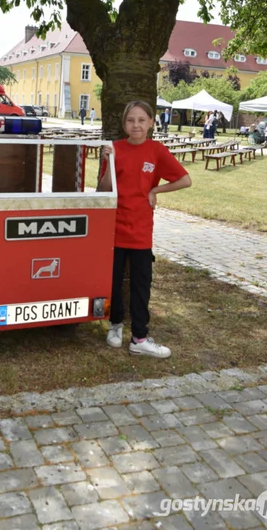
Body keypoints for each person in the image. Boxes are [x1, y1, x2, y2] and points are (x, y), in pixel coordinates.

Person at [98, 100, 192, 358]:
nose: (136, 125)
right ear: (124, 124)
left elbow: (185, 180)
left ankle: (139, 337)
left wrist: (155, 189)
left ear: (151, 122)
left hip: (140, 231)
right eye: (130, 120)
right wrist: (108, 162)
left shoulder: (157, 151)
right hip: (114, 229)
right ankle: (115, 326)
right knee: (113, 282)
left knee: (141, 284)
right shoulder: (114, 148)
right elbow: (105, 189)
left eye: (141, 120)